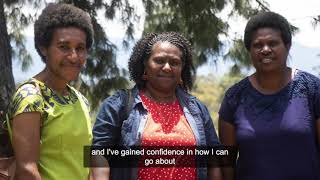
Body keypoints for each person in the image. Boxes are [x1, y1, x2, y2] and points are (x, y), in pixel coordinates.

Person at [91, 32, 221, 180]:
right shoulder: (119, 105)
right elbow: (98, 155)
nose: (167, 67)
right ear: (145, 66)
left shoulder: (197, 109)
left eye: (174, 62)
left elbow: (214, 160)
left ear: (182, 69)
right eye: (159, 61)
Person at [218, 11, 320, 180]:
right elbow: (226, 163)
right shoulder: (234, 98)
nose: (265, 50)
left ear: (287, 46)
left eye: (273, 43)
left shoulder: (313, 90)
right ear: (249, 50)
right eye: (258, 45)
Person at [6, 3, 94, 180]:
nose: (74, 56)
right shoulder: (31, 97)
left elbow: (86, 164)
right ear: (43, 48)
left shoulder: (80, 100)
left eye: (80, 48)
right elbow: (26, 170)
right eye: (64, 47)